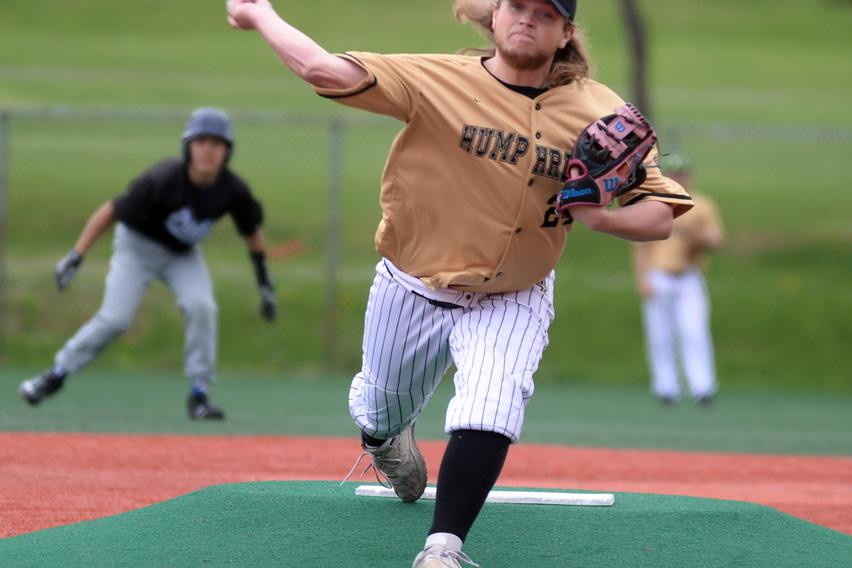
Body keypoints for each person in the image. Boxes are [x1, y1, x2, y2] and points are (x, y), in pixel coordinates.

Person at [226, 0, 692, 565]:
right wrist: (260, 14)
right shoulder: (436, 79)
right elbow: (324, 71)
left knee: (492, 406)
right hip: (413, 284)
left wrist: (603, 217)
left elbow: (662, 215)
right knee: (381, 407)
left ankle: (442, 549)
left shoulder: (599, 110)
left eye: (545, 14)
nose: (528, 19)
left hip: (515, 293)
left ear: (566, 32)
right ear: (494, 18)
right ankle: (384, 439)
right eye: (517, 6)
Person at [17, 108, 277, 420]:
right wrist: (77, 255)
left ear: (228, 151)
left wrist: (264, 282)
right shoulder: (163, 178)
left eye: (218, 143)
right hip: (137, 247)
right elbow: (110, 210)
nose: (209, 150)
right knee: (115, 319)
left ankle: (199, 394)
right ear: (188, 146)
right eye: (201, 141)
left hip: (182, 254)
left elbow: (252, 233)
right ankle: (57, 373)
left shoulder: (233, 190)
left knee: (202, 306)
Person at [633, 152, 723, 405]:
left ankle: (702, 386)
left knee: (694, 331)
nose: (678, 177)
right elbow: (641, 246)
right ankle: (666, 387)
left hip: (689, 276)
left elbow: (715, 240)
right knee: (660, 334)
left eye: (682, 173)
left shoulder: (702, 206)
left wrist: (702, 240)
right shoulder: (652, 203)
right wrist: (642, 278)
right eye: (673, 172)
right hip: (659, 274)